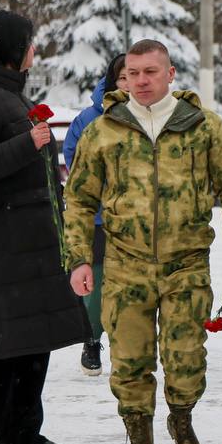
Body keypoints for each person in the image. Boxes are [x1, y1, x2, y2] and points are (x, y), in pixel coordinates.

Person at [64, 40, 222, 444]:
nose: (141, 81)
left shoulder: (204, 127)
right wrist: (77, 259)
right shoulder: (103, 131)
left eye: (151, 72)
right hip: (124, 265)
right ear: (124, 78)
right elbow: (77, 199)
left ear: (170, 74)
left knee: (185, 358)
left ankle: (182, 421)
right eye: (133, 73)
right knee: (129, 362)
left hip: (185, 264)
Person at [0, 10, 86, 444]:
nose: (34, 50)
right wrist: (27, 144)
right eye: (29, 42)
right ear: (11, 49)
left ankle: (24, 432)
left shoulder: (6, 96)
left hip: (27, 241)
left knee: (32, 338)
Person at [63, 53, 128, 376]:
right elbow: (74, 158)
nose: (132, 83)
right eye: (124, 77)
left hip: (139, 221)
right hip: (101, 217)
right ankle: (92, 338)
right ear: (113, 80)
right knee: (98, 282)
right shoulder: (90, 118)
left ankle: (130, 342)